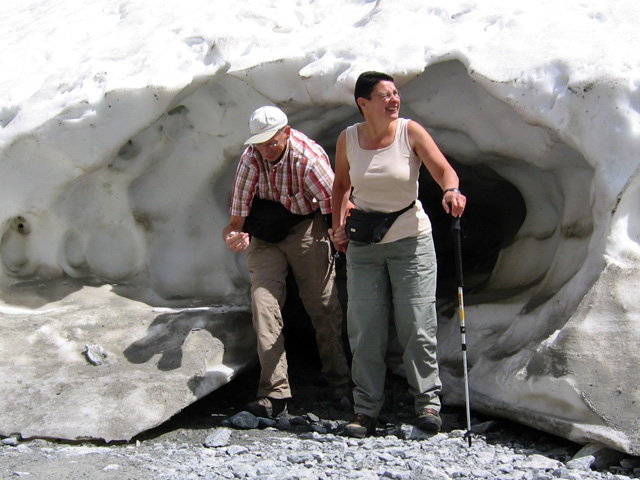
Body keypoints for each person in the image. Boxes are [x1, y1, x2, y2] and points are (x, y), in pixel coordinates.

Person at [330, 71, 466, 438]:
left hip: (411, 241)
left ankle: (428, 406)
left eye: (395, 94)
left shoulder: (410, 132)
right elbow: (342, 185)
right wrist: (337, 225)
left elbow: (442, 169)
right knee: (365, 329)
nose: (394, 100)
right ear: (363, 103)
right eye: (384, 95)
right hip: (364, 245)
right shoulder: (349, 139)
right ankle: (365, 410)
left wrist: (450, 191)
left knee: (417, 325)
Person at [222, 105, 350, 419]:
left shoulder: (308, 160)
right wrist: (234, 236)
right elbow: (236, 220)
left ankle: (341, 381)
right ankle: (274, 392)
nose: (266, 149)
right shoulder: (251, 159)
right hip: (264, 234)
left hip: (307, 225)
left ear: (287, 133)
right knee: (263, 302)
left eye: (272, 142)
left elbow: (334, 208)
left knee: (322, 302)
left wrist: (340, 240)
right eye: (260, 143)